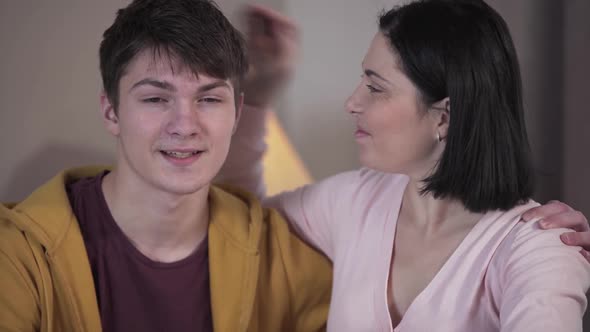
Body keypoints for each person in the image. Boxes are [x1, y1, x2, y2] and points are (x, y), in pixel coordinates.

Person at [220, 1, 590, 330]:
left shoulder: (538, 249)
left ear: (444, 117)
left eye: (376, 87)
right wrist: (257, 93)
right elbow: (239, 215)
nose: (352, 102)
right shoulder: (355, 202)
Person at [0, 0, 332, 331]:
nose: (185, 125)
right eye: (156, 99)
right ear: (110, 111)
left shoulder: (284, 257)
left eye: (209, 99)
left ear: (237, 113)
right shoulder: (17, 256)